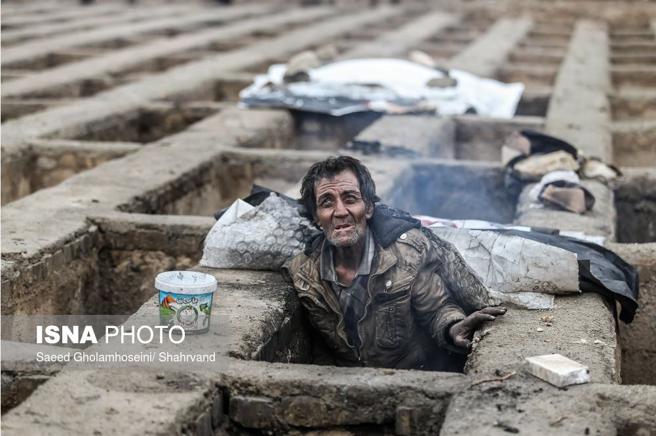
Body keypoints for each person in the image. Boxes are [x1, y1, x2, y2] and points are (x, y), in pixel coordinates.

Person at [286, 156, 505, 370]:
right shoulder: (305, 272)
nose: (340, 211)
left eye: (350, 199)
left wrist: (453, 328)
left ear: (369, 208)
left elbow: (437, 308)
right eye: (327, 203)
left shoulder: (406, 256)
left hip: (407, 378)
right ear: (316, 217)